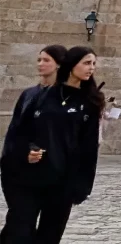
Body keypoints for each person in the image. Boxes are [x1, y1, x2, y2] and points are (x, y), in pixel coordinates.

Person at [0, 46, 103, 243]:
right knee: (19, 231)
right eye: (87, 63)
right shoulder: (41, 96)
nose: (91, 68)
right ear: (72, 65)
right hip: (29, 178)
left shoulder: (89, 102)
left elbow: (88, 149)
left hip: (62, 180)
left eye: (93, 64)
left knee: (50, 235)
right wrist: (26, 151)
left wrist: (83, 185)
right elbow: (19, 132)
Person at [0, 45, 68, 243]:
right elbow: (16, 131)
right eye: (39, 59)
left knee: (49, 231)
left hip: (54, 174)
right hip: (22, 174)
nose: (40, 64)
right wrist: (22, 153)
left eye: (46, 60)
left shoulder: (68, 98)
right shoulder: (29, 94)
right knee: (19, 226)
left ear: (59, 65)